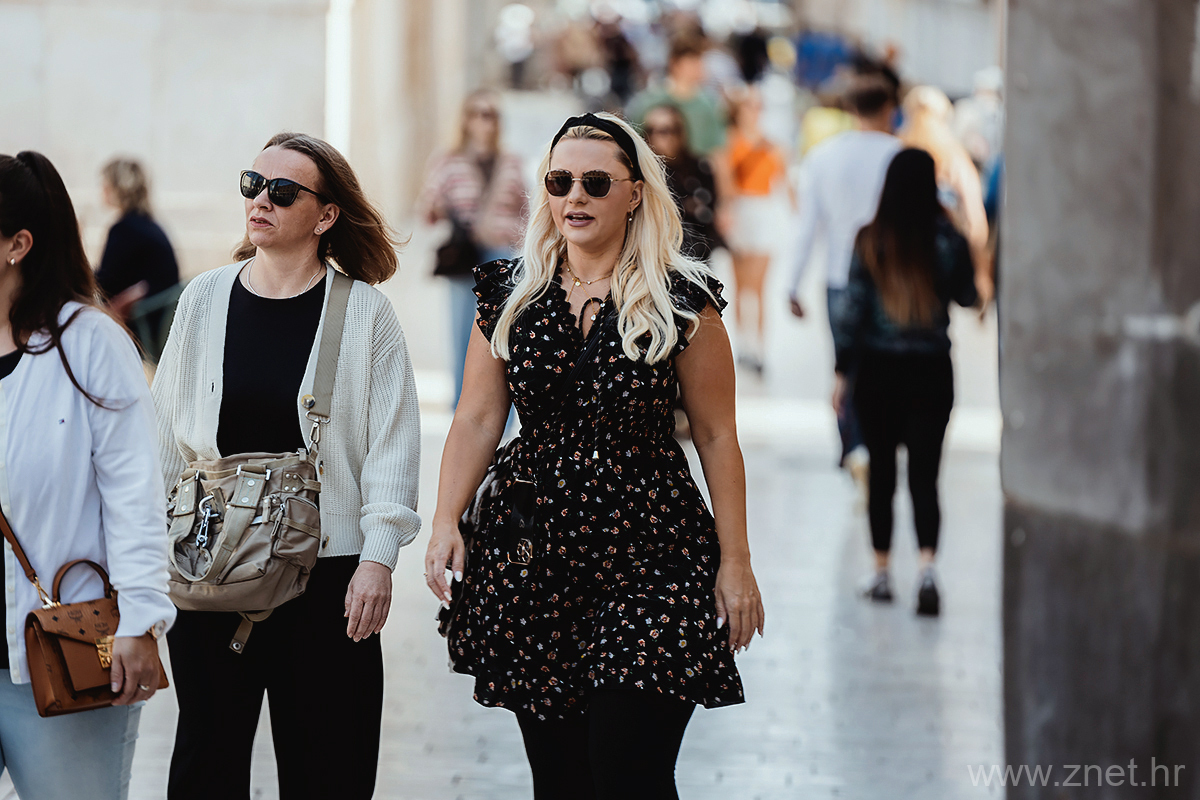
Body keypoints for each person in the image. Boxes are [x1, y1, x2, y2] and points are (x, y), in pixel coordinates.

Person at [425, 112, 764, 800]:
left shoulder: (680, 300)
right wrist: (444, 521)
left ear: (635, 193)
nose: (574, 196)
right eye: (560, 182)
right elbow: (478, 417)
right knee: (561, 779)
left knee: (629, 770)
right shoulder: (510, 293)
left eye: (595, 182)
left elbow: (717, 436)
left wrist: (736, 562)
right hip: (533, 552)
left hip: (653, 549)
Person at [152, 132, 421, 799]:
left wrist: (379, 559)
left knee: (331, 771)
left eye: (282, 191)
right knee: (206, 767)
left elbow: (393, 445)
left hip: (329, 578)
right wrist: (146, 559)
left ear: (326, 215)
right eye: (253, 184)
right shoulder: (204, 298)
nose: (260, 201)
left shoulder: (366, 313)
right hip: (212, 566)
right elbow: (162, 437)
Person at [0, 151, 175, 799]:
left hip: (60, 648)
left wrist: (140, 620)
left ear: (18, 245)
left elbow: (135, 494)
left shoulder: (90, 344)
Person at [831, 149, 978, 616]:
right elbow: (969, 296)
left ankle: (881, 573)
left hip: (878, 371)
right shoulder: (947, 238)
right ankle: (928, 570)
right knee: (925, 475)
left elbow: (852, 312)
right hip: (932, 369)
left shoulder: (871, 239)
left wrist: (841, 370)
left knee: (881, 474)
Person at [786, 77, 902, 483]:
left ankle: (852, 446)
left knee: (845, 364)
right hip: (892, 279)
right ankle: (879, 442)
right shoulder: (899, 155)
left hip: (838, 277)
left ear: (850, 110)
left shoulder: (822, 156)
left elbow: (807, 227)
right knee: (886, 363)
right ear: (889, 109)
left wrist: (792, 284)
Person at [418, 89, 528, 409]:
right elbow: (427, 209)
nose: (485, 121)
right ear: (465, 120)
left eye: (491, 114)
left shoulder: (511, 161)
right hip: (464, 256)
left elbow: (527, 211)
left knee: (502, 334)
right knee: (463, 335)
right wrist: (444, 209)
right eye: (478, 113)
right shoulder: (448, 160)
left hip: (502, 254)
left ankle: (503, 414)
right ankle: (461, 409)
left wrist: (511, 234)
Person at [900, 85, 993, 306]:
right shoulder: (954, 157)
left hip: (899, 257)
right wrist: (980, 272)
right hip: (941, 259)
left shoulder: (897, 151)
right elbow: (975, 219)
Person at [725, 87, 791, 373]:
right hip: (740, 212)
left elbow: (785, 184)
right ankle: (744, 345)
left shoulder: (772, 145)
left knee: (760, 287)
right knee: (741, 285)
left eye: (758, 105)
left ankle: (761, 349)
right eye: (749, 106)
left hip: (764, 213)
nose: (755, 111)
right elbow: (725, 181)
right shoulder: (730, 142)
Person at [96, 158, 180, 326]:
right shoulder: (149, 224)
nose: (102, 189)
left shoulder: (125, 229)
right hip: (159, 320)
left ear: (117, 188)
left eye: (106, 183)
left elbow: (104, 284)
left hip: (141, 324)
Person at [641, 103, 721, 263]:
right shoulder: (641, 172)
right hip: (655, 255)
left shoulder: (699, 168)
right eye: (651, 130)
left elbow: (710, 212)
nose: (658, 136)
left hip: (698, 256)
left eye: (667, 130)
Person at [627, 36, 728, 158]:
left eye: (699, 60)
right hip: (658, 166)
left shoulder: (709, 103)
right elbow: (634, 143)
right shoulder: (649, 101)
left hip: (699, 167)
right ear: (675, 63)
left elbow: (717, 150)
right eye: (691, 61)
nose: (698, 66)